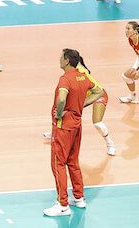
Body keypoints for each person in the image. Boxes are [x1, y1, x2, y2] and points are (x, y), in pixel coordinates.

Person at [43, 48, 103, 217]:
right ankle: (79, 198)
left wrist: (59, 112)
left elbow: (62, 98)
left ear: (67, 60)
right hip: (76, 124)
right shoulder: (83, 76)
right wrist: (80, 105)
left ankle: (62, 205)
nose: (59, 59)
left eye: (61, 57)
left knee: (58, 164)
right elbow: (99, 91)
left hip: (63, 126)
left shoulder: (65, 79)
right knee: (73, 161)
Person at [43, 54, 115, 156]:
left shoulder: (82, 72)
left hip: (98, 95)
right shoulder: (71, 71)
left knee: (97, 123)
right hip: (82, 97)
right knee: (61, 107)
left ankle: (110, 143)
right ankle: (54, 132)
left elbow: (97, 90)